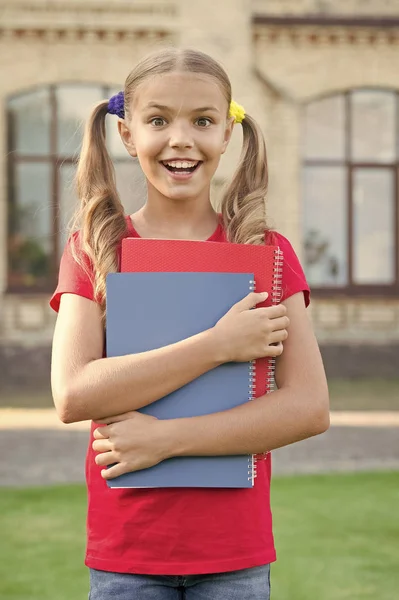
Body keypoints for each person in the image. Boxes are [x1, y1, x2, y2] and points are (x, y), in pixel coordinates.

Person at [50, 47, 329, 600]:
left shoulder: (267, 254)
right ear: (128, 135)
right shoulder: (97, 249)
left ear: (227, 132)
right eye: (158, 120)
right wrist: (218, 345)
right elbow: (74, 394)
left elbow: (308, 407)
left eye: (202, 121)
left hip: (235, 555)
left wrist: (165, 440)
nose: (181, 139)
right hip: (129, 552)